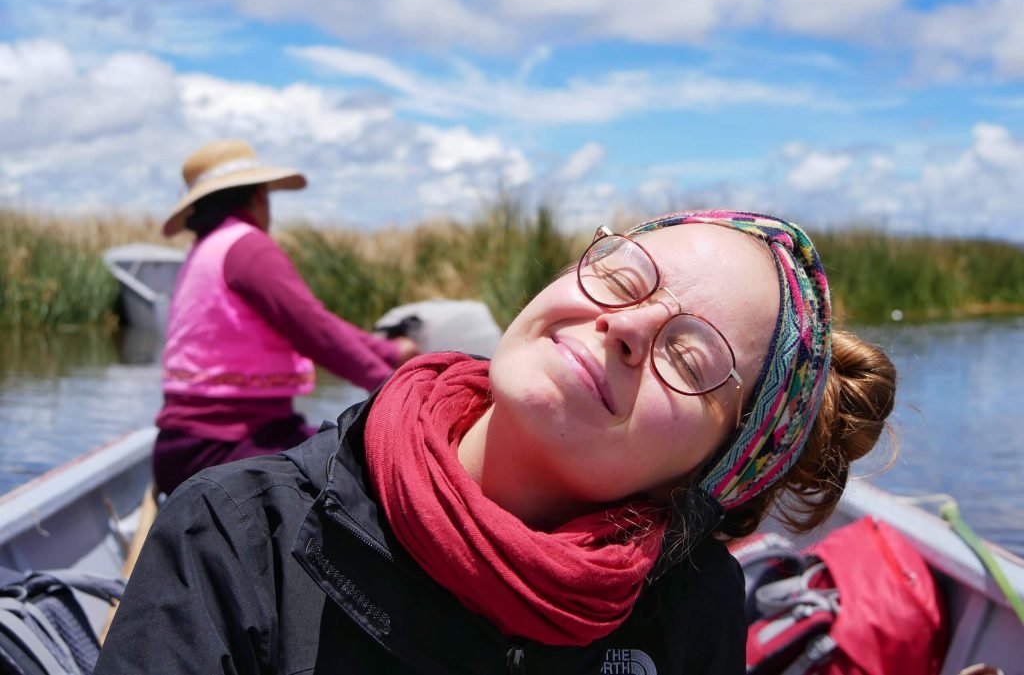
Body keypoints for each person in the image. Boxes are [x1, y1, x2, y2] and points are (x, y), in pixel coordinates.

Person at [96, 210, 895, 674]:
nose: (627, 324)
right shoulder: (233, 542)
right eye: (624, 277)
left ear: (711, 467)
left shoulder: (693, 605)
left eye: (690, 357)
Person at [151, 138, 419, 495]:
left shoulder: (206, 249)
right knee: (367, 478)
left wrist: (388, 352)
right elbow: (314, 332)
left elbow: (314, 321)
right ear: (260, 196)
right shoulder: (248, 248)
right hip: (224, 448)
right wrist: (398, 393)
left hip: (181, 446)